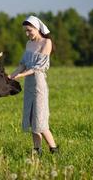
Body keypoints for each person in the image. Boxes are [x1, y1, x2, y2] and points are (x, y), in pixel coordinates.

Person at [8, 15, 58, 155]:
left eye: (29, 30)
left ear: (37, 28)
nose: (27, 33)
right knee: (32, 121)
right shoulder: (28, 44)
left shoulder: (46, 42)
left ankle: (54, 149)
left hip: (39, 84)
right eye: (25, 31)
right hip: (29, 85)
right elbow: (23, 65)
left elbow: (38, 67)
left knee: (40, 122)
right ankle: (37, 151)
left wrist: (21, 75)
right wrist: (10, 76)